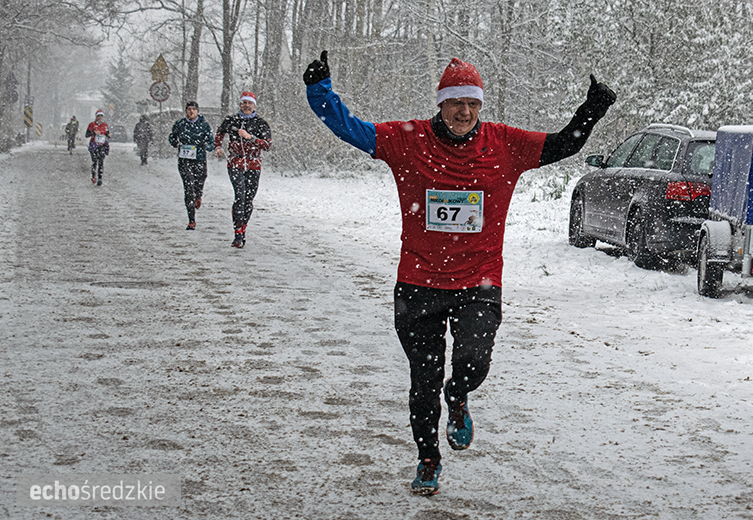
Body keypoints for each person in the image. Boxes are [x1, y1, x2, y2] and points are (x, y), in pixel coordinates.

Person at [304, 51, 616, 495]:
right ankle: (428, 459)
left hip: (479, 282)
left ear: (480, 106)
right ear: (441, 104)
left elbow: (564, 143)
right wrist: (320, 91)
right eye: (456, 103)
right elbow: (350, 129)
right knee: (422, 382)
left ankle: (460, 394)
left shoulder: (504, 143)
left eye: (472, 103)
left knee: (472, 363)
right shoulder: (406, 141)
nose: (464, 112)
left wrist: (592, 109)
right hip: (418, 283)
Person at [214, 91, 272, 248]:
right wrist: (218, 146)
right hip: (235, 162)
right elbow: (220, 131)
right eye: (244, 103)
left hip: (253, 163)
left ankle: (243, 227)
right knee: (240, 195)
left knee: (249, 199)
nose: (247, 106)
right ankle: (238, 233)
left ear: (254, 106)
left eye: (250, 103)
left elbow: (267, 145)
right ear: (240, 104)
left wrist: (250, 137)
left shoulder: (261, 123)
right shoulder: (232, 120)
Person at [168, 101, 215, 230]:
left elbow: (211, 143)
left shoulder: (204, 125)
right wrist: (175, 142)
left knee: (200, 181)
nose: (191, 111)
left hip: (199, 159)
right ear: (185, 111)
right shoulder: (180, 124)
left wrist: (206, 146)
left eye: (194, 109)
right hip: (184, 160)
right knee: (188, 187)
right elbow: (172, 137)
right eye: (189, 109)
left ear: (197, 111)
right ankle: (191, 220)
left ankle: (198, 195)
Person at [85, 110, 111, 186]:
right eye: (98, 116)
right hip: (94, 145)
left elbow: (107, 133)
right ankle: (93, 176)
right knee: (94, 161)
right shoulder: (92, 124)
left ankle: (100, 179)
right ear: (96, 117)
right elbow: (87, 135)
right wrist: (93, 133)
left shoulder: (105, 125)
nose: (100, 118)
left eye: (101, 116)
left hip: (102, 145)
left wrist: (108, 135)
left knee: (101, 162)